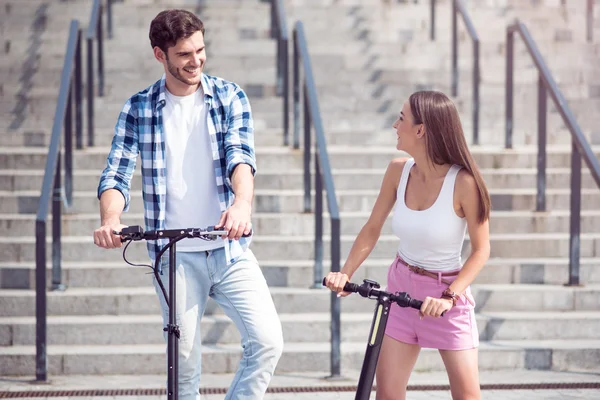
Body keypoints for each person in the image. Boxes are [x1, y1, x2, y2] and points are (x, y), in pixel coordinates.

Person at [93, 9, 283, 400]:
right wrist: (111, 218)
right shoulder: (138, 109)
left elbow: (240, 157)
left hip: (229, 249)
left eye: (200, 49)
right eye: (184, 54)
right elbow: (116, 172)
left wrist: (242, 204)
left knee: (267, 343)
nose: (195, 60)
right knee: (184, 370)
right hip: (174, 257)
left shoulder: (229, 97)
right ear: (160, 55)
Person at [324, 91, 490, 400]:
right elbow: (372, 228)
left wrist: (449, 297)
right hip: (400, 289)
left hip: (445, 295)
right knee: (387, 394)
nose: (394, 124)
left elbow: (482, 250)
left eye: (401, 118)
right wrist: (345, 274)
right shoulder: (398, 171)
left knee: (467, 396)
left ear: (421, 130)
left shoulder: (464, 183)